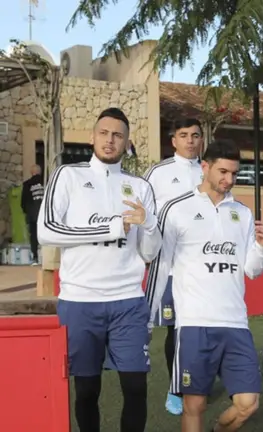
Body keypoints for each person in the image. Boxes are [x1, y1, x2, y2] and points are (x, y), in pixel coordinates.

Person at [37, 107, 162, 432]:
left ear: (127, 143)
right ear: (92, 137)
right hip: (80, 301)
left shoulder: (139, 187)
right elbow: (46, 231)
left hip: (128, 301)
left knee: (135, 387)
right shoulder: (68, 176)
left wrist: (149, 224)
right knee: (87, 390)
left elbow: (149, 252)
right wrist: (112, 227)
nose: (110, 140)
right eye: (104, 133)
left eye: (118, 135)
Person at [147, 140, 263, 432]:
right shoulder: (177, 209)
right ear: (205, 167)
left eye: (234, 173)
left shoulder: (242, 213)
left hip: (236, 324)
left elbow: (252, 270)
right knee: (195, 406)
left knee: (248, 403)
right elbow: (161, 267)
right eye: (223, 172)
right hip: (194, 323)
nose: (229, 179)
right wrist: (148, 317)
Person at [144, 117, 204, 416]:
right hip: (170, 266)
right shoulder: (158, 173)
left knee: (200, 328)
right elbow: (144, 215)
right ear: (174, 141)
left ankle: (198, 381)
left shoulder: (209, 170)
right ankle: (175, 387)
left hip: (203, 266)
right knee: (175, 330)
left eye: (195, 135)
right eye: (184, 135)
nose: (190, 140)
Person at [21, 164, 44, 264]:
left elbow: (23, 202)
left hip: (32, 215)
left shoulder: (27, 184)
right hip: (44, 214)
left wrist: (27, 211)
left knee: (33, 235)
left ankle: (35, 257)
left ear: (31, 172)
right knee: (46, 235)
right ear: (40, 172)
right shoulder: (46, 181)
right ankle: (47, 258)